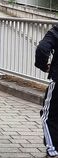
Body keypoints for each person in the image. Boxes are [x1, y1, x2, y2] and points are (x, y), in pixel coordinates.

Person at [35, 25, 58, 157]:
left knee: (47, 115)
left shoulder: (56, 31)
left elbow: (42, 49)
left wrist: (43, 66)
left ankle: (52, 149)